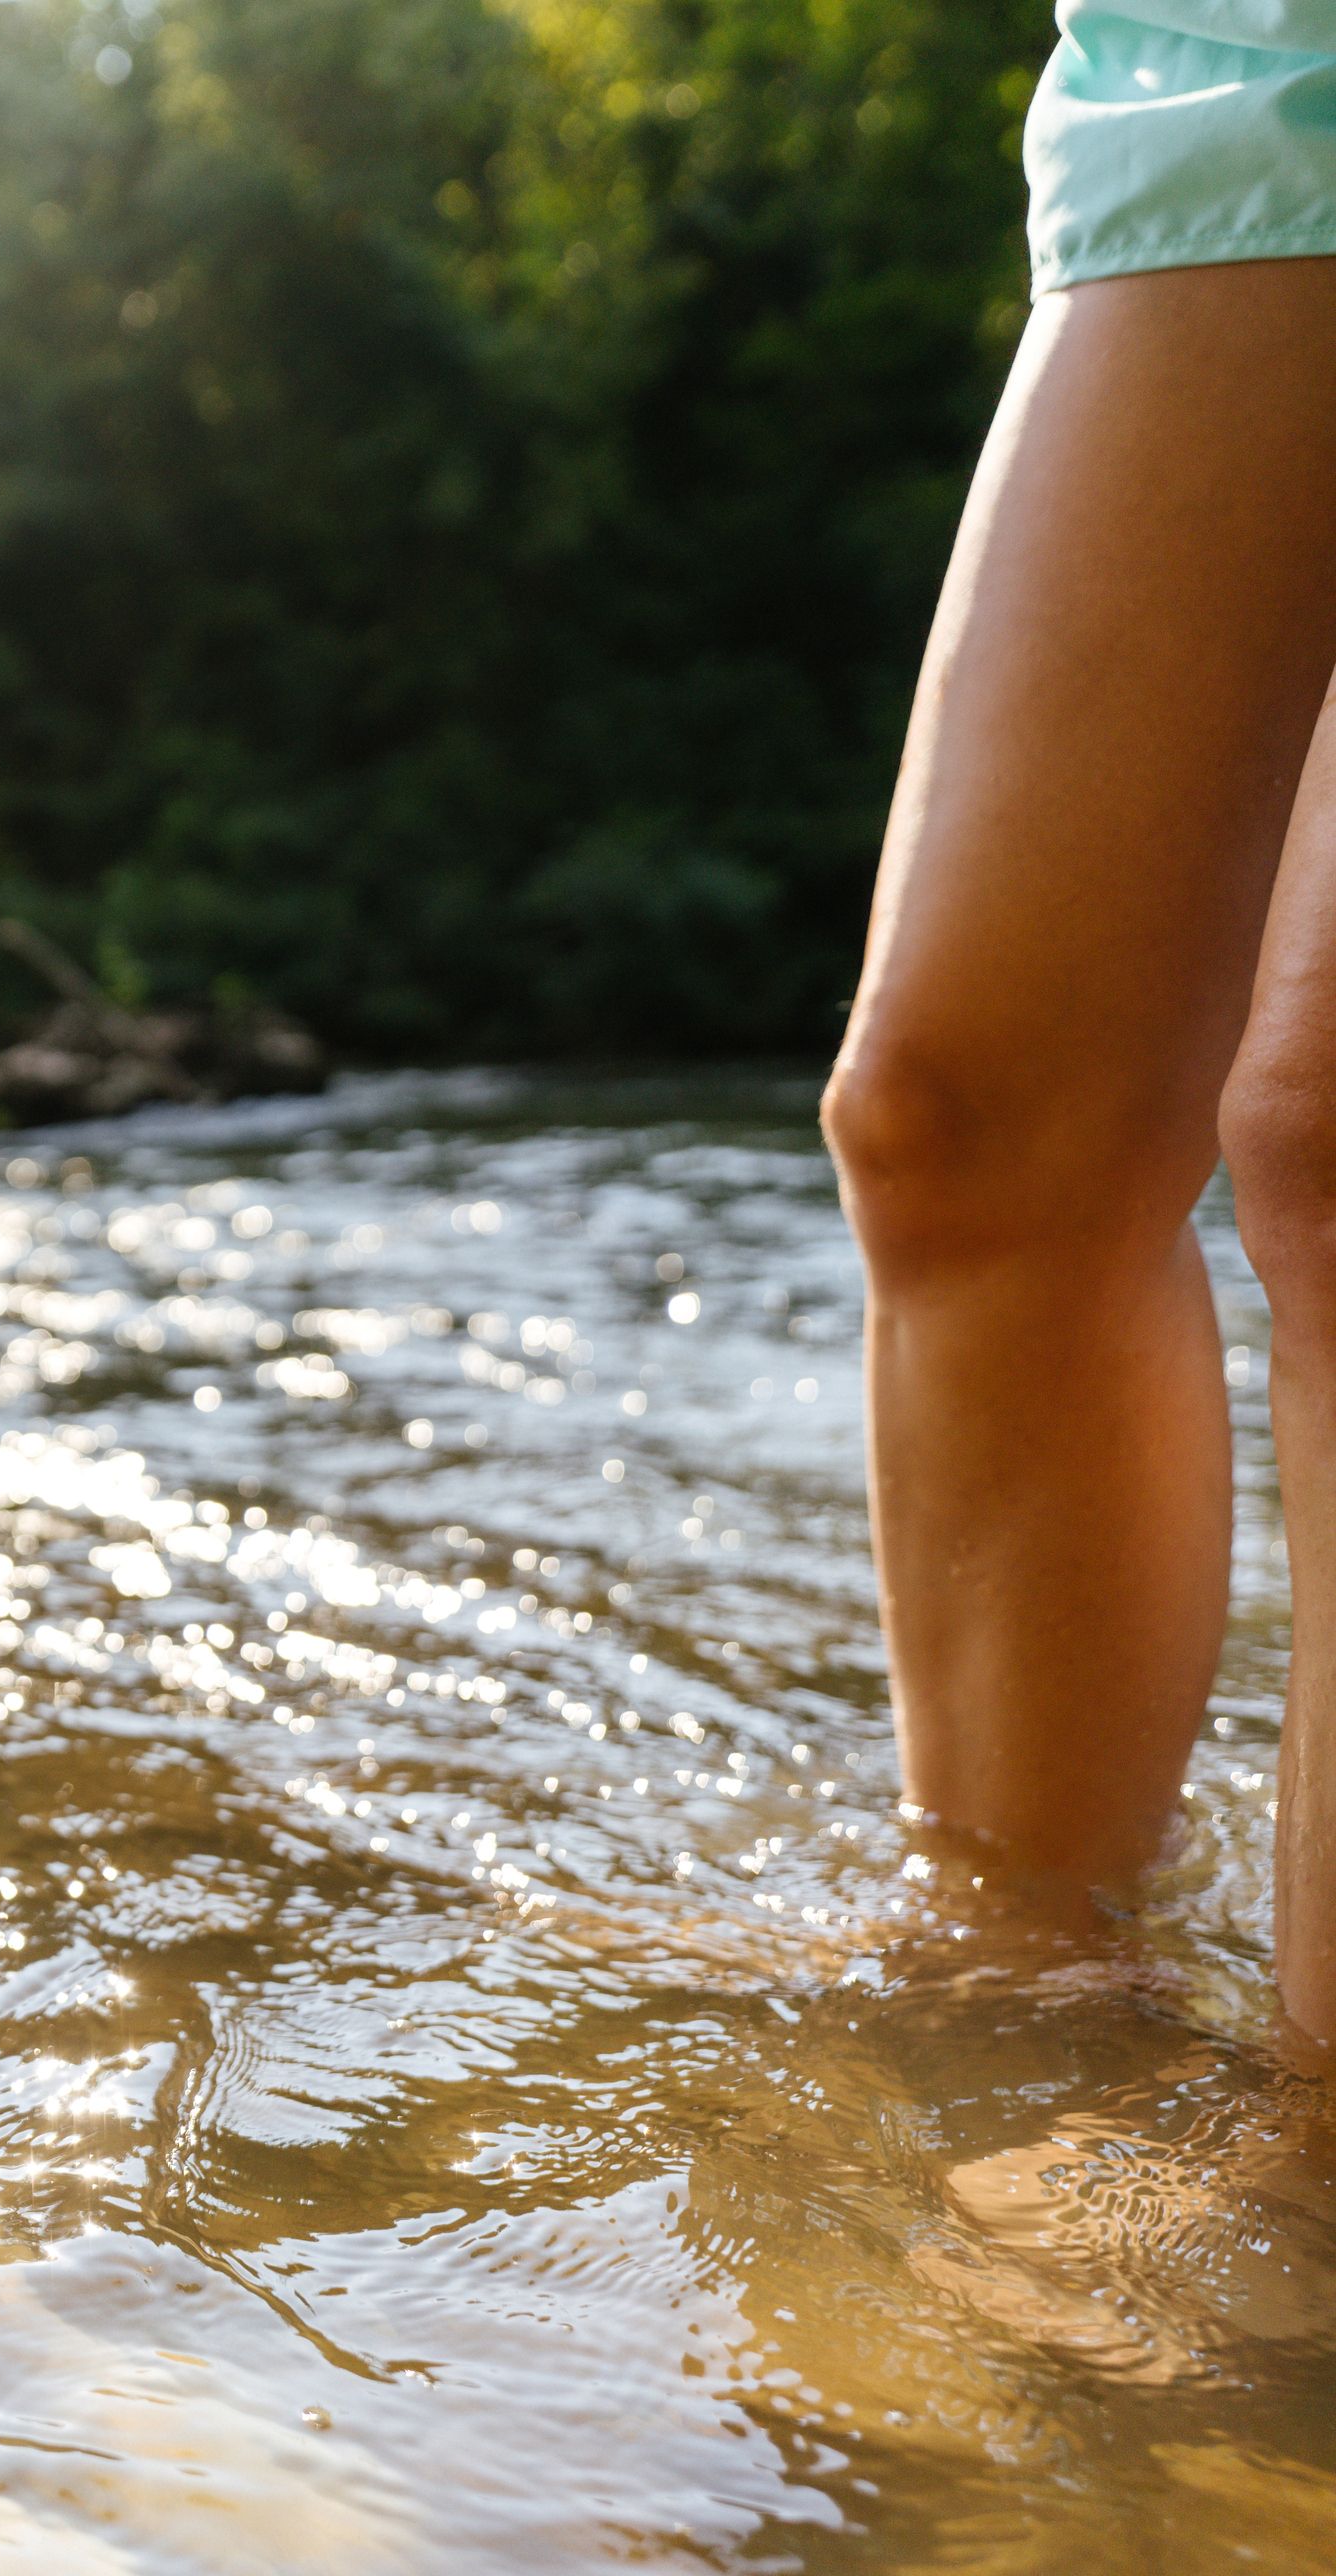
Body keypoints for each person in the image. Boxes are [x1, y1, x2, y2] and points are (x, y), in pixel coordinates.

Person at [826, 0, 1336, 2039]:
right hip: (1224, 49)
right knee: (959, 1127)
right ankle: (1017, 2008)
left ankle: (1312, 2195)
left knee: (1325, 1126)